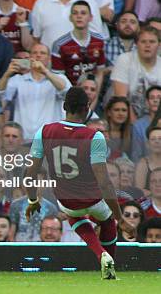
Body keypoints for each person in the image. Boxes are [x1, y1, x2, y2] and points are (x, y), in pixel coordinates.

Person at [25, 86, 134, 279]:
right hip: (92, 199)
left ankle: (101, 255)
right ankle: (109, 264)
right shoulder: (94, 137)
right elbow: (104, 182)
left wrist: (33, 200)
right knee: (107, 222)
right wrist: (120, 219)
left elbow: (30, 172)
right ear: (87, 108)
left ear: (64, 106)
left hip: (66, 201)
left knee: (74, 216)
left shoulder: (44, 131)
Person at [51, 0, 106, 86]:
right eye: (75, 13)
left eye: (83, 13)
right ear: (70, 17)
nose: (79, 16)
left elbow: (100, 72)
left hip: (92, 93)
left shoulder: (99, 41)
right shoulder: (59, 45)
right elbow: (59, 78)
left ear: (90, 17)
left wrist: (95, 98)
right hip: (68, 94)